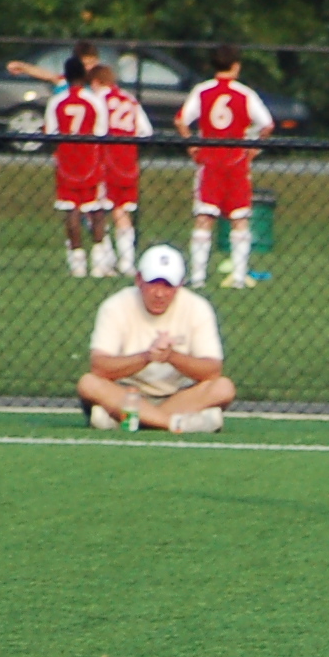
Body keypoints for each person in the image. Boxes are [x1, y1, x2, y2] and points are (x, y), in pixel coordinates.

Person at [78, 244, 233, 433]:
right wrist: (146, 357)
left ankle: (128, 419)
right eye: (153, 283)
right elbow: (100, 366)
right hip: (127, 393)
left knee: (223, 387)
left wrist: (171, 356)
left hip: (180, 396)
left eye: (168, 286)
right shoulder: (115, 306)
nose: (159, 293)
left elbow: (212, 370)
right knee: (89, 383)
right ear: (139, 280)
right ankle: (173, 423)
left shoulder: (198, 307)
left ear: (180, 284)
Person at [177, 45, 274, 290]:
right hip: (236, 162)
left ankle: (198, 277)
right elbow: (267, 124)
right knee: (239, 219)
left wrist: (191, 145)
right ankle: (239, 276)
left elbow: (181, 120)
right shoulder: (245, 93)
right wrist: (254, 148)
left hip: (209, 162)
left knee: (204, 218)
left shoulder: (202, 91)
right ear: (236, 66)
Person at [43, 69, 107, 279]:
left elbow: (50, 132)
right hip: (90, 160)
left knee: (71, 210)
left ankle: (77, 263)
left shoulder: (56, 101)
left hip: (66, 162)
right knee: (95, 209)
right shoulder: (94, 100)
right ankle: (98, 262)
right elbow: (102, 132)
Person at [89, 63, 148, 277]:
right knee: (122, 212)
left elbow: (94, 130)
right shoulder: (130, 99)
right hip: (128, 163)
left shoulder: (97, 99)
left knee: (98, 211)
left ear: (96, 82)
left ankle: (104, 260)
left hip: (105, 162)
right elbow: (145, 130)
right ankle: (127, 262)